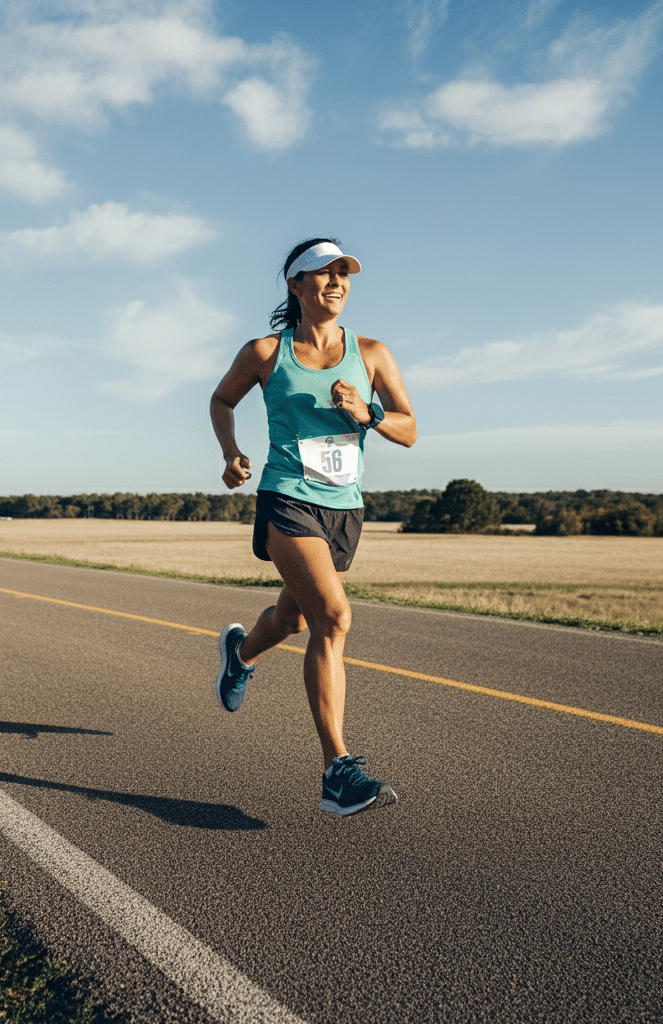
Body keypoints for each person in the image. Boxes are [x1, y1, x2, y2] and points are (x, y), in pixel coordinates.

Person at [210, 238, 417, 816]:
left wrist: (367, 413)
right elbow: (222, 400)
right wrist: (231, 452)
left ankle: (241, 653)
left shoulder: (372, 354)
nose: (336, 282)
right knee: (334, 617)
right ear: (294, 285)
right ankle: (337, 771)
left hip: (342, 506)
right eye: (322, 274)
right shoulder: (266, 352)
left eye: (343, 274)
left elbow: (409, 428)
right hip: (287, 498)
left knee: (293, 617)